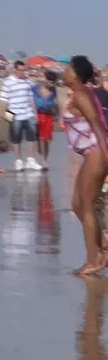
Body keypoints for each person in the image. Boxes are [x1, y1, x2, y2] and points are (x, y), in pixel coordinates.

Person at [62, 56, 108, 277]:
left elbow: (97, 124)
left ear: (76, 73)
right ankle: (103, 248)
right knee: (78, 205)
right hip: (90, 153)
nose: (64, 71)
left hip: (96, 152)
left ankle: (93, 260)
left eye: (68, 68)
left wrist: (106, 154)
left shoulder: (81, 94)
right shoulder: (79, 93)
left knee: (87, 207)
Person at [0, 63, 42, 171]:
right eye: (20, 70)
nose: (23, 72)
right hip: (15, 114)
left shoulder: (27, 81)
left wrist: (35, 113)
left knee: (32, 137)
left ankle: (30, 160)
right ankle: (18, 161)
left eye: (24, 70)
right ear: (15, 70)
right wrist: (7, 115)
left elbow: (31, 98)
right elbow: (4, 100)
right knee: (15, 138)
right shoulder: (7, 82)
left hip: (28, 113)